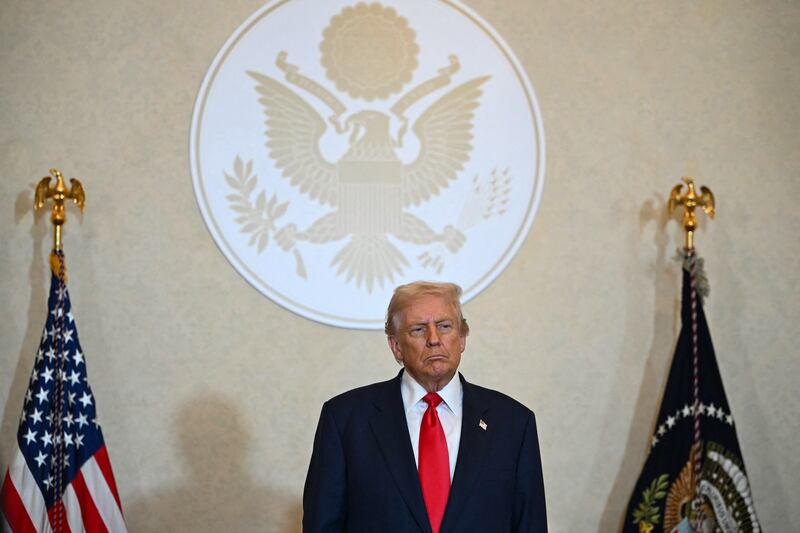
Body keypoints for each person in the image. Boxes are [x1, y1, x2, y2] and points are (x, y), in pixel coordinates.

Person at [303, 281, 547, 532]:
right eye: (418, 329)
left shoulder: (513, 423)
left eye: (444, 326)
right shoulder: (345, 420)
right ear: (396, 346)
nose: (434, 339)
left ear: (462, 338)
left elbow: (530, 524)